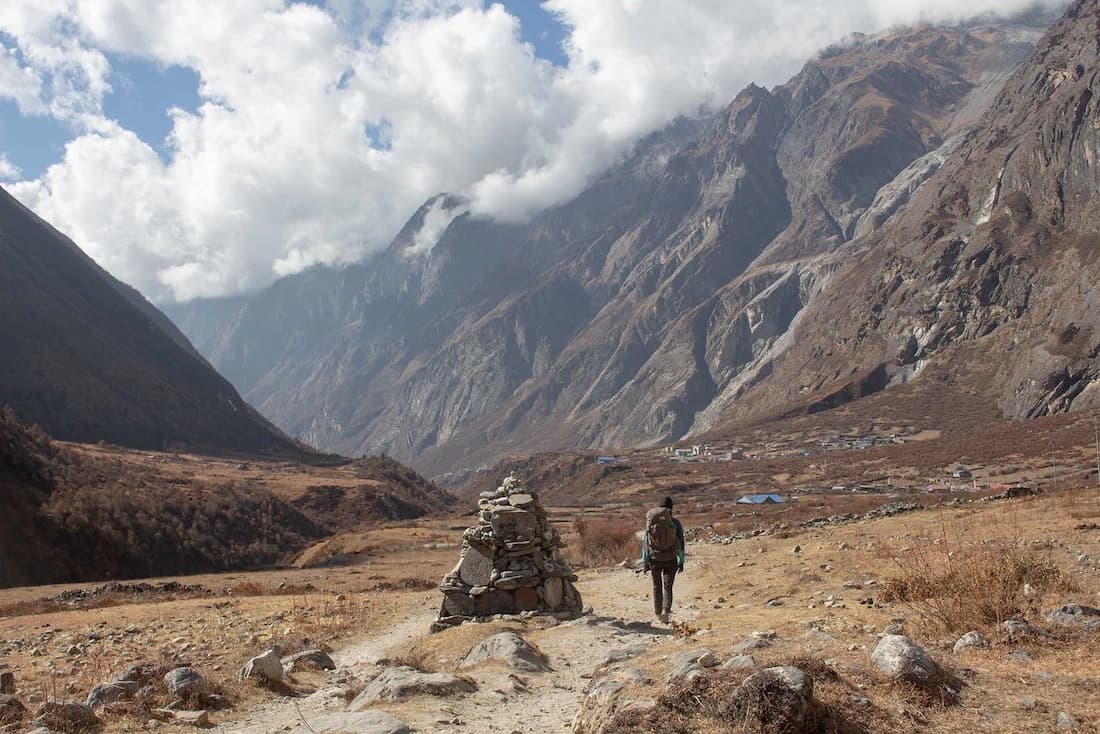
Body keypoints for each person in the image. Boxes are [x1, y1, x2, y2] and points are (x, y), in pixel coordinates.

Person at [641, 496, 685, 623]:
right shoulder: (675, 523)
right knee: (668, 586)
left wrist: (645, 562)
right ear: (671, 508)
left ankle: (658, 613)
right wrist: (681, 560)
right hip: (671, 558)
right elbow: (681, 543)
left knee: (657, 586)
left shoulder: (651, 521)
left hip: (654, 558)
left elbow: (645, 543)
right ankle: (666, 610)